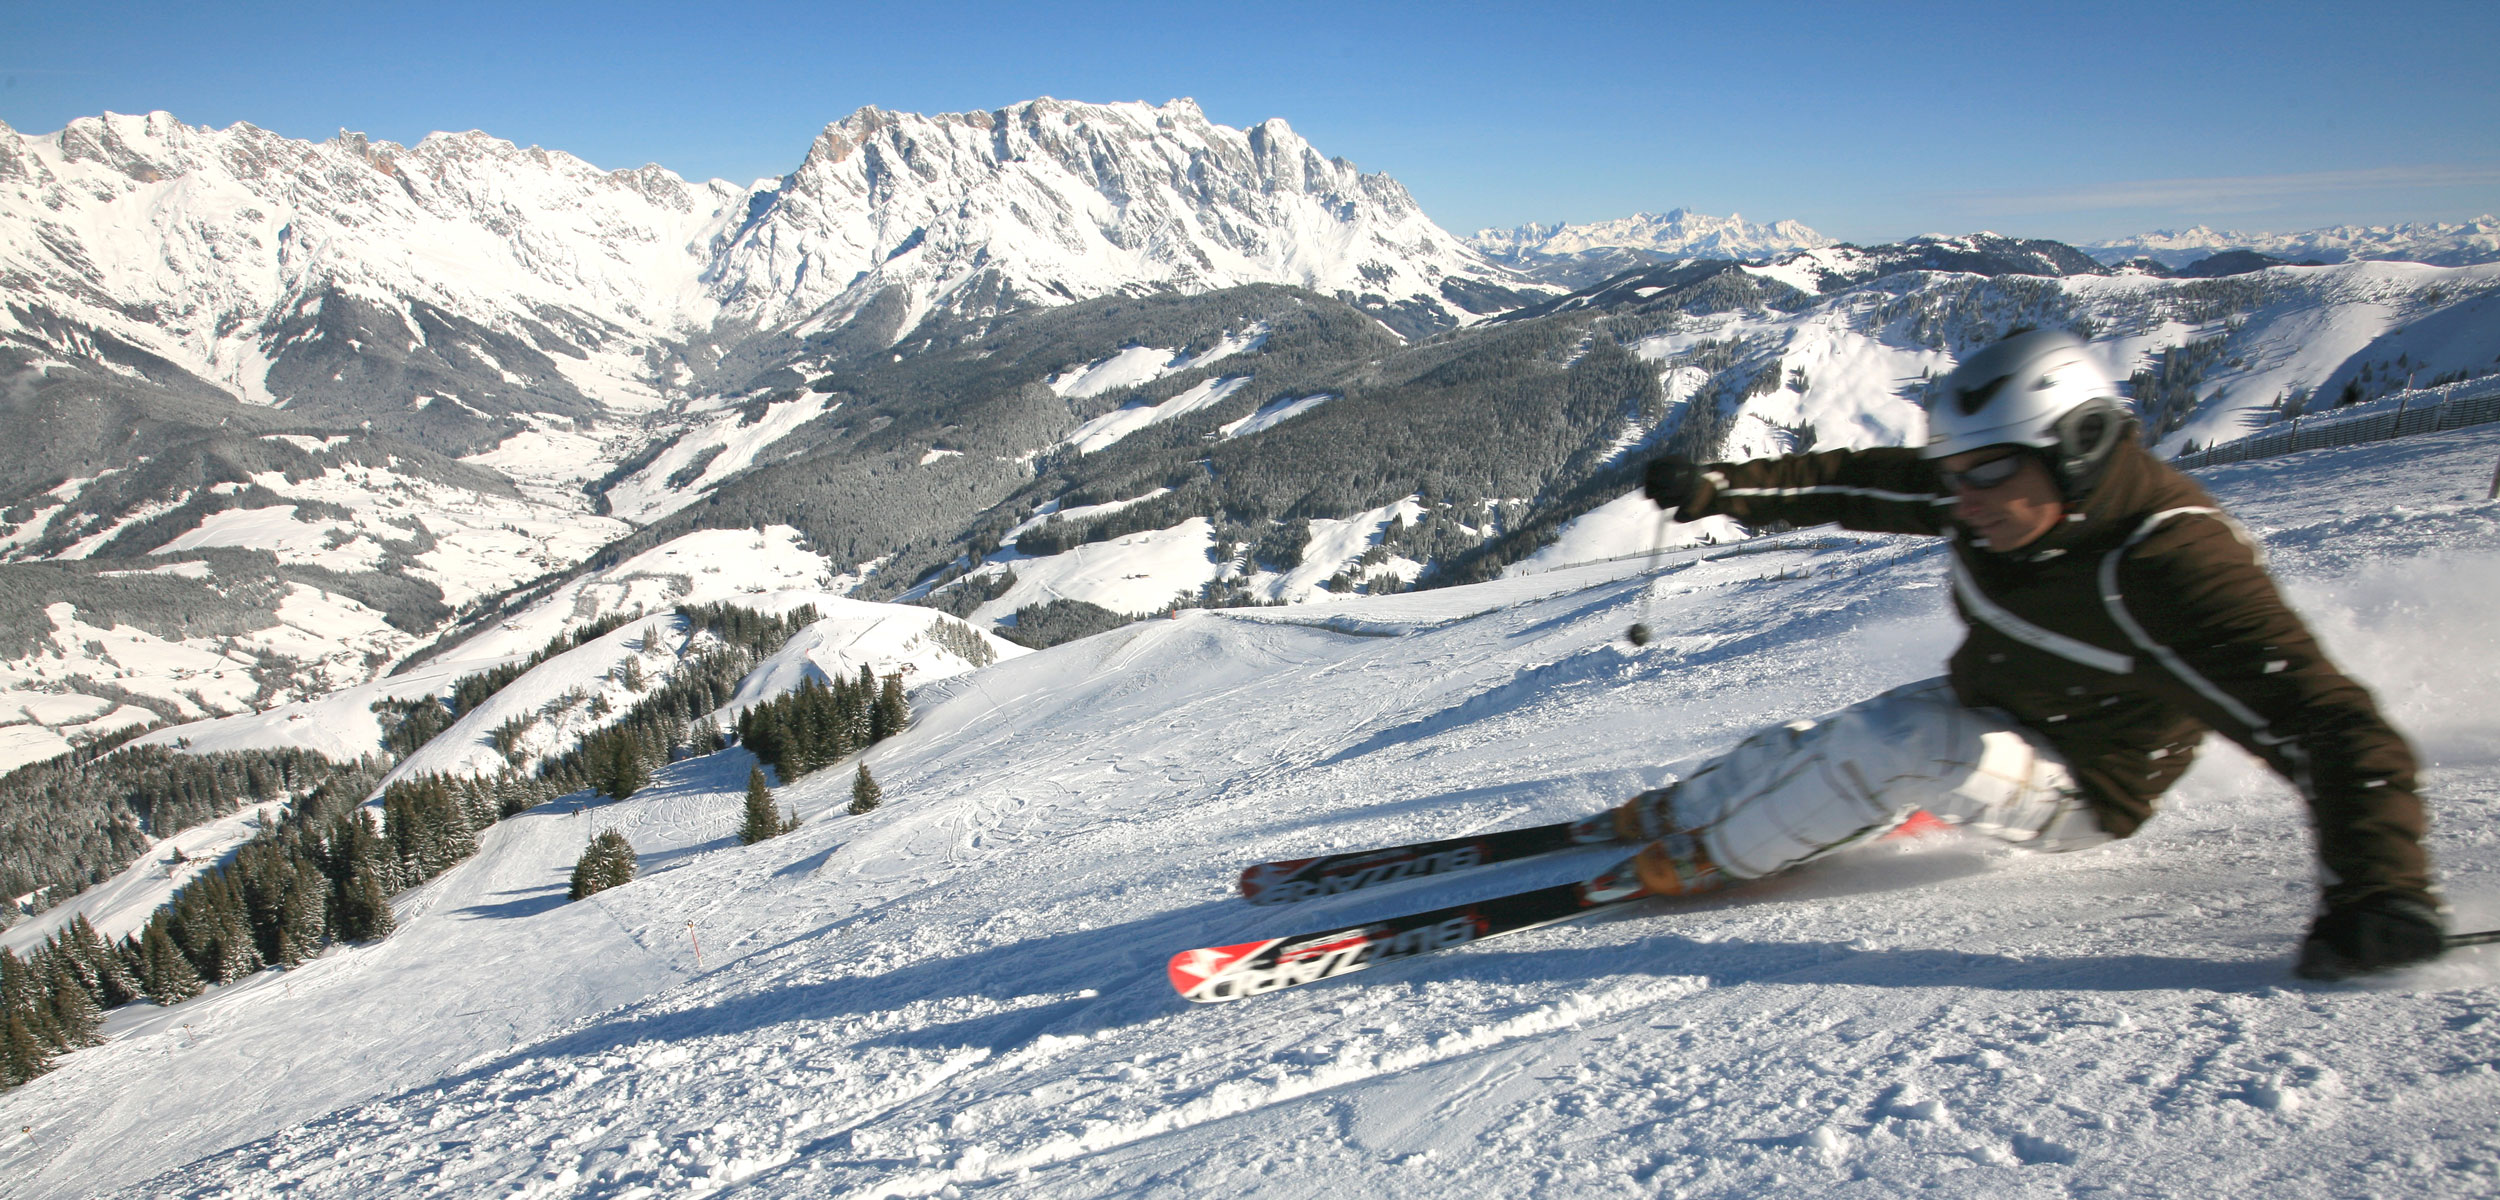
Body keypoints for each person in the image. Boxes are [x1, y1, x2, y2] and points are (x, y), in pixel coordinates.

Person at [1619, 328, 2442, 980]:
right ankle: (1687, 811)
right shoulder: (2002, 494)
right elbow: (1858, 480)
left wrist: (2381, 889)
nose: (1962, 497)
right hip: (2006, 708)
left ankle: (1710, 855)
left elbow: (2327, 723)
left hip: (2086, 784)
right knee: (1830, 740)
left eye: (1987, 472)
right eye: (1955, 473)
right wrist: (1721, 489)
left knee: (1887, 751)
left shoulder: (2172, 563)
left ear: (2077, 447)